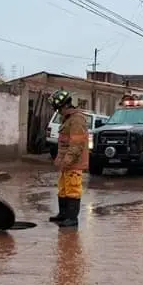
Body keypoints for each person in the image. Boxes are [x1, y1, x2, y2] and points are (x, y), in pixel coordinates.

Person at [47, 90, 89, 227]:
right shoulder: (68, 119)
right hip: (67, 162)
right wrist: (60, 160)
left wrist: (67, 161)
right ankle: (63, 214)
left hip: (73, 163)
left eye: (58, 109)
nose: (58, 112)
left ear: (64, 106)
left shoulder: (77, 119)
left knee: (73, 189)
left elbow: (76, 144)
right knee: (63, 188)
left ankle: (72, 218)